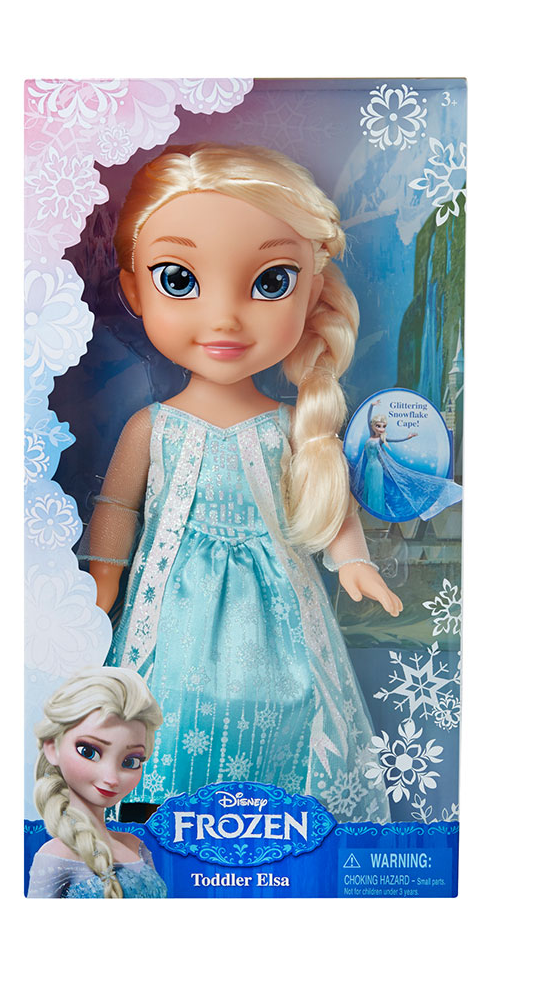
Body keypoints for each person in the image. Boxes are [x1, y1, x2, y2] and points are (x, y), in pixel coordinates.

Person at [80, 144, 396, 824]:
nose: (223, 318)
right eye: (179, 279)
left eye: (271, 281)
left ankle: (281, 819)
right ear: (134, 289)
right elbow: (116, 506)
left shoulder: (293, 429)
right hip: (171, 612)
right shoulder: (153, 426)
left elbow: (328, 495)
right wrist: (102, 580)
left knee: (292, 705)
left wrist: (354, 561)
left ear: (313, 290)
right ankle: (156, 823)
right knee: (163, 708)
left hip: (280, 616)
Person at [27, 666, 167, 898]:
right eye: (88, 752)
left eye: (130, 761)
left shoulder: (136, 845)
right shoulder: (54, 856)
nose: (111, 778)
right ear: (52, 748)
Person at [350, 398, 462, 522]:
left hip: (376, 467)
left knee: (375, 488)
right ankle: (369, 510)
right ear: (373, 426)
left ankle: (376, 510)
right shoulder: (371, 435)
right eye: (378, 426)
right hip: (369, 468)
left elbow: (395, 440)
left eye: (383, 426)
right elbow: (368, 418)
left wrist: (407, 437)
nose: (381, 429)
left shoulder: (380, 439)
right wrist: (372, 406)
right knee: (369, 488)